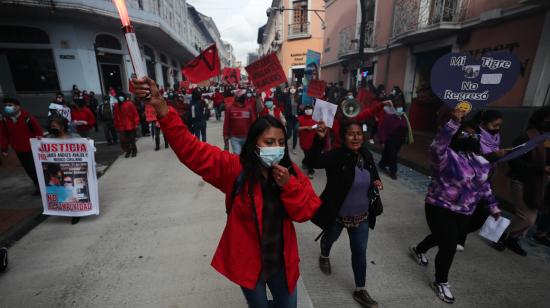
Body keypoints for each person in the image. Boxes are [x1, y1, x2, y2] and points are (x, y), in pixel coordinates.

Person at [132, 76, 321, 308]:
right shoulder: (235, 170)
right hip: (248, 264)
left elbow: (307, 211)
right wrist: (161, 107)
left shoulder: (291, 174)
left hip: (282, 265)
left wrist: (288, 186)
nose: (276, 148)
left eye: (281, 143)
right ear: (254, 145)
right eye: (269, 142)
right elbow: (190, 149)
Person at [409, 109, 501, 304]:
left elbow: (484, 186)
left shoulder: (481, 161)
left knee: (442, 237)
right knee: (449, 244)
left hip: (465, 211)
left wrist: (493, 207)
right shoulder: (444, 156)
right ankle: (441, 282)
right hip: (439, 206)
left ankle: (418, 249)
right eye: (464, 133)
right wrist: (453, 122)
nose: (469, 137)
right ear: (456, 135)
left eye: (473, 134)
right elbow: (437, 145)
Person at [309, 120, 384, 308]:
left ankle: (360, 290)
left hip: (362, 216)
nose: (356, 137)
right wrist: (318, 140)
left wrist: (376, 181)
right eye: (351, 134)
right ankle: (324, 254)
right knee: (330, 238)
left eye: (359, 133)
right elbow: (312, 161)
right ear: (343, 137)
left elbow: (373, 174)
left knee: (359, 252)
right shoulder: (335, 156)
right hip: (338, 215)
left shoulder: (366, 154)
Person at [494, 107, 550, 256]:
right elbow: (514, 160)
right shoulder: (527, 138)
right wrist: (538, 169)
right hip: (521, 180)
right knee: (527, 218)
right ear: (543, 119)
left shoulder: (546, 138)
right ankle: (502, 236)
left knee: (530, 214)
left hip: (538, 182)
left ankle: (512, 239)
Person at [456, 110, 505, 251]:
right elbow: (472, 159)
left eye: (499, 125)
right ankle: (457, 237)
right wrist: (491, 157)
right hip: (470, 181)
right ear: (483, 124)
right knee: (466, 210)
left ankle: (459, 233)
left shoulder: (495, 139)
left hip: (484, 180)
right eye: (494, 125)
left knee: (480, 213)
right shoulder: (473, 137)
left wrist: (494, 208)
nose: (497, 128)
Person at [1, 97, 44, 194]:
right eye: (6, 105)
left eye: (10, 105)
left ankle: (43, 185)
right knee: (28, 169)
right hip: (18, 149)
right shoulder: (5, 120)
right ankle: (37, 185)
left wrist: (40, 142)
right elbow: (4, 135)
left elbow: (39, 132)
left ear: (18, 107)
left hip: (32, 148)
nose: (7, 107)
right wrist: (4, 148)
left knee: (35, 168)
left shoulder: (28, 117)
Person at [45, 116, 83, 224]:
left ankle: (76, 213)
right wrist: (39, 141)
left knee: (73, 192)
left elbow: (87, 149)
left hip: (72, 170)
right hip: (58, 170)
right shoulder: (49, 138)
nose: (51, 128)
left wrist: (88, 143)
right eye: (51, 126)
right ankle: (68, 210)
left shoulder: (74, 137)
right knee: (62, 193)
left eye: (54, 126)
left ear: (62, 127)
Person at [377, 93, 410, 180]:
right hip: (390, 139)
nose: (400, 107)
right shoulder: (389, 117)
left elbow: (406, 128)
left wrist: (405, 137)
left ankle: (382, 163)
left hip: (399, 140)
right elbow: (383, 129)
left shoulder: (403, 117)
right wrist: (382, 141)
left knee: (389, 154)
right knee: (393, 155)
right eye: (398, 105)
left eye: (401, 105)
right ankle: (393, 172)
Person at [113, 93, 140, 158]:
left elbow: (135, 114)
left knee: (131, 139)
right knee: (123, 140)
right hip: (121, 126)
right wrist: (116, 125)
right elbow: (115, 116)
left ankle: (134, 150)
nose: (120, 98)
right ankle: (128, 150)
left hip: (130, 125)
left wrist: (136, 123)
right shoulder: (117, 106)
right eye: (119, 97)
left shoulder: (129, 104)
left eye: (121, 96)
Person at [297, 105, 318, 179]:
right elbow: (296, 128)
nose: (308, 110)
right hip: (304, 141)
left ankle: (309, 168)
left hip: (314, 141)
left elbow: (319, 126)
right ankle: (309, 168)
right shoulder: (300, 119)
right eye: (307, 109)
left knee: (311, 155)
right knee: (308, 155)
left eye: (310, 109)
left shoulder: (316, 118)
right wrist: (305, 128)